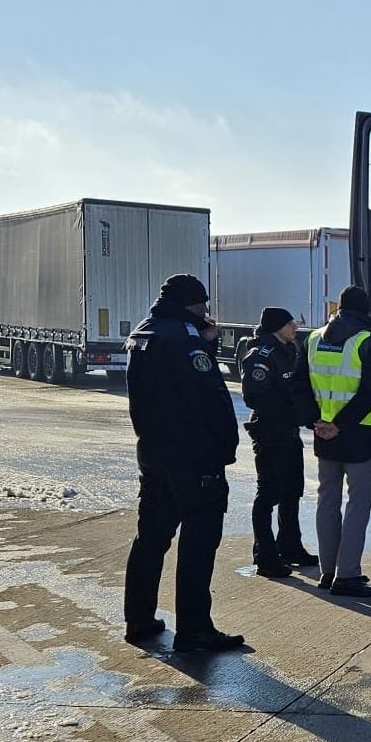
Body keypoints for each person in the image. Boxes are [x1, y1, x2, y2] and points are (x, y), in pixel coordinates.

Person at [122, 274, 244, 652]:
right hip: (193, 458)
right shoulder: (187, 341)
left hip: (154, 452)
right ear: (194, 305)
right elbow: (211, 400)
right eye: (204, 306)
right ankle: (194, 629)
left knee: (151, 539)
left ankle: (139, 619)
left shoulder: (146, 332)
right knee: (199, 542)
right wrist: (225, 448)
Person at [295, 285, 371, 598]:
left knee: (327, 502)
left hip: (325, 436)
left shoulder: (312, 339)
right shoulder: (369, 342)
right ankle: (347, 575)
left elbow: (300, 387)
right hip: (358, 435)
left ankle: (328, 571)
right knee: (357, 506)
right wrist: (340, 424)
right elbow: (369, 392)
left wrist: (317, 422)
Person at [241, 306, 319, 578]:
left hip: (289, 432)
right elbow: (254, 396)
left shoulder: (290, 349)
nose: (295, 328)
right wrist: (287, 411)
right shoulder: (260, 356)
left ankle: (290, 545)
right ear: (277, 327)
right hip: (270, 433)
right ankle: (265, 554)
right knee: (269, 494)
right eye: (290, 324)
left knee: (292, 491)